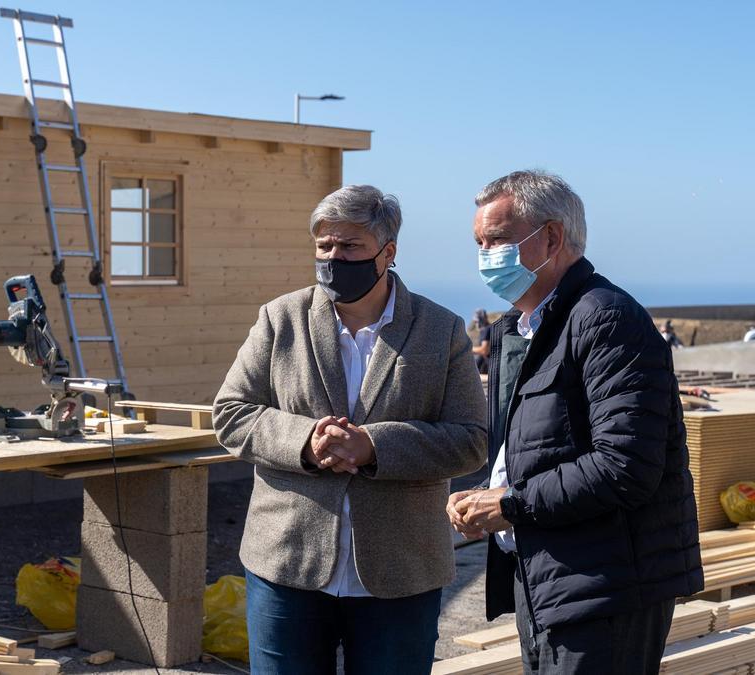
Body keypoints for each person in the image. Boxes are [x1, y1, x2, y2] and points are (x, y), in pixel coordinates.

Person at [213, 184, 488, 674]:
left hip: (400, 571)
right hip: (287, 565)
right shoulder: (281, 320)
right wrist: (305, 441)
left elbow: (471, 440)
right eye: (324, 246)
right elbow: (232, 413)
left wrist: (374, 447)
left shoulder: (440, 330)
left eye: (350, 246)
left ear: (388, 253)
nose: (334, 258)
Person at [447, 170, 703, 674]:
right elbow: (542, 445)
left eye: (496, 240)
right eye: (479, 243)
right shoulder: (527, 329)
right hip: (552, 578)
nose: (485, 256)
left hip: (605, 587)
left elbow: (626, 465)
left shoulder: (606, 319)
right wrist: (491, 491)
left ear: (552, 237)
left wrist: (511, 503)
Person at [472, 308, 493, 374]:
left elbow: (484, 350)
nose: (476, 324)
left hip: (490, 365)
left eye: (476, 321)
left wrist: (469, 349)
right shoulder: (490, 328)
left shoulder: (486, 329)